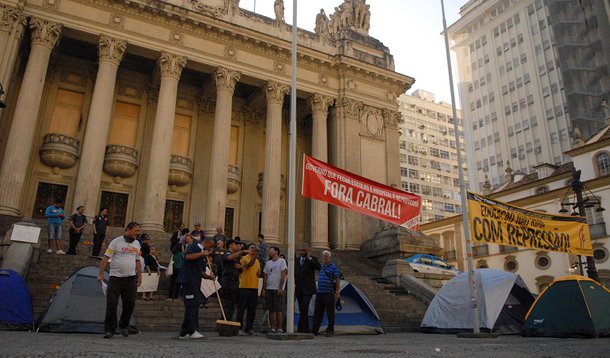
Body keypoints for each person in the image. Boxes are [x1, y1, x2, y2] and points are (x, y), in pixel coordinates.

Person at [97, 222, 142, 339]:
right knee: (112, 304)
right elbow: (106, 257)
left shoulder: (137, 244)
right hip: (115, 278)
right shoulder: (116, 242)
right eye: (136, 231)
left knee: (130, 304)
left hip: (131, 278)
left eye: (138, 231)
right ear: (128, 229)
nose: (138, 233)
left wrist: (140, 276)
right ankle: (109, 330)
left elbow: (138, 260)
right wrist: (101, 274)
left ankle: (124, 325)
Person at [177, 234, 214, 339]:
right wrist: (202, 253)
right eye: (210, 247)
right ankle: (193, 330)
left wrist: (208, 276)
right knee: (192, 305)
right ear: (205, 243)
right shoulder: (194, 246)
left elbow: (201, 270)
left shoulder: (203, 255)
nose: (210, 249)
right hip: (188, 281)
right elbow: (188, 256)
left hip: (196, 281)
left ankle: (184, 331)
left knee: (193, 305)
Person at [312, 250, 341, 337]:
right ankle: (315, 330)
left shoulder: (334, 267)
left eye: (326, 256)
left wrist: (337, 292)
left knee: (330, 313)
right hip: (320, 292)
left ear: (330, 257)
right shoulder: (321, 267)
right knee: (317, 312)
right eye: (323, 256)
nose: (324, 257)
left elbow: (337, 280)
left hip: (329, 293)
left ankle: (330, 330)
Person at [294, 243, 321, 333]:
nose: (302, 252)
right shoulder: (296, 260)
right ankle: (304, 328)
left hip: (308, 289)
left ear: (308, 251)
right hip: (299, 288)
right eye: (301, 250)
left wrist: (309, 258)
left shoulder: (312, 259)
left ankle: (301, 327)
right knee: (302, 308)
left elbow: (318, 267)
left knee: (305, 307)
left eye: (304, 250)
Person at [236, 244, 261, 335]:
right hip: (244, 287)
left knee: (252, 310)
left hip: (254, 287)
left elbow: (258, 272)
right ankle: (239, 328)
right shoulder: (244, 258)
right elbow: (250, 264)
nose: (254, 249)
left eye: (255, 247)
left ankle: (249, 328)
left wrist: (259, 274)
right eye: (252, 248)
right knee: (241, 309)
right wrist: (255, 254)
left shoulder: (257, 261)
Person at [262, 246, 287, 334]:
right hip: (269, 288)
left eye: (271, 250)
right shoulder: (268, 263)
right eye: (269, 250)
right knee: (271, 310)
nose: (269, 251)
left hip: (277, 288)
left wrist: (281, 288)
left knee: (278, 309)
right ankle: (272, 327)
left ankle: (279, 327)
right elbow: (265, 276)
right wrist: (264, 289)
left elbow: (283, 275)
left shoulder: (282, 261)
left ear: (276, 251)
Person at [220, 238, 244, 321]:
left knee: (232, 305)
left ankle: (228, 321)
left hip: (235, 282)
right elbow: (228, 258)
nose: (237, 246)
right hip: (228, 282)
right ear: (230, 245)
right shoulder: (227, 253)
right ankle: (225, 322)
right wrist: (241, 252)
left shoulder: (236, 257)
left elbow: (239, 267)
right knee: (227, 304)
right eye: (235, 244)